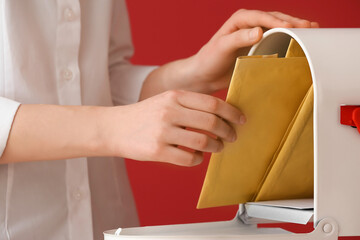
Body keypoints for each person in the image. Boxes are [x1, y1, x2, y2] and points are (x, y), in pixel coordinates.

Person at [0, 1, 318, 239]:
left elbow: (99, 78)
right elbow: (108, 115)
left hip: (104, 220)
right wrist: (109, 128)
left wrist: (193, 73)